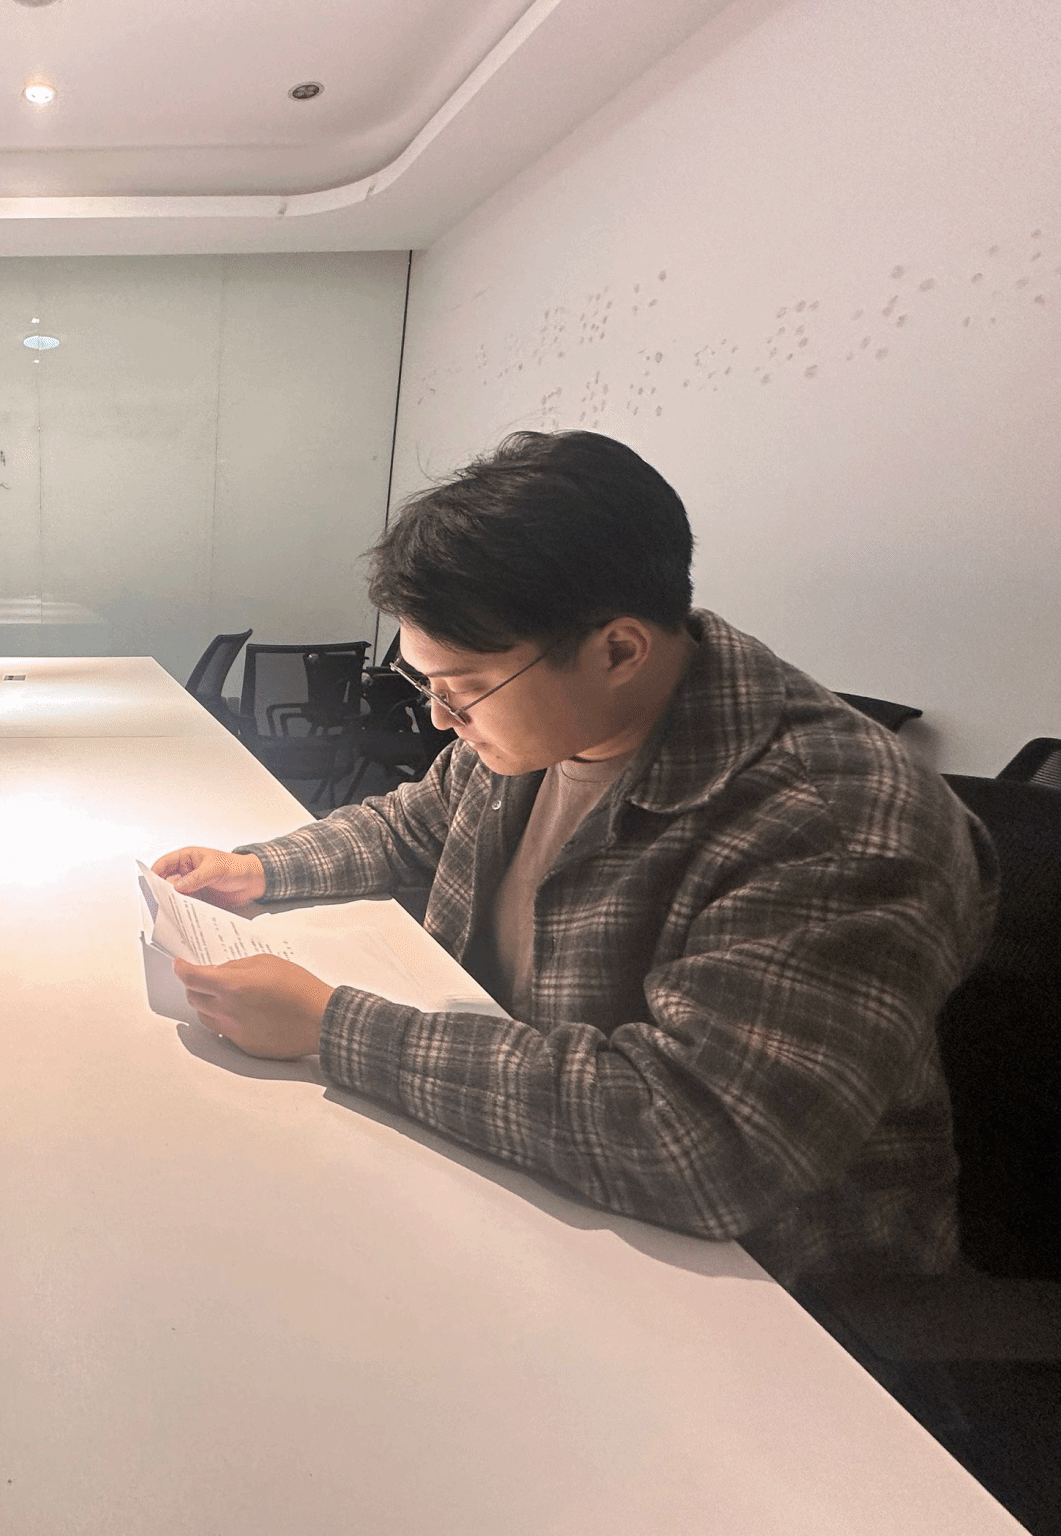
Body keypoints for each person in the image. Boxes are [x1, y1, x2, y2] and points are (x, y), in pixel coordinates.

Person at [154, 431, 994, 1284]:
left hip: (767, 1292)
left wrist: (332, 1026)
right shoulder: (550, 723)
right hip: (530, 1174)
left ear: (619, 651)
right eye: (425, 684)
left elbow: (701, 1144)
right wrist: (260, 868)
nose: (440, 719)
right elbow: (414, 822)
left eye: (463, 688)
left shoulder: (832, 821)